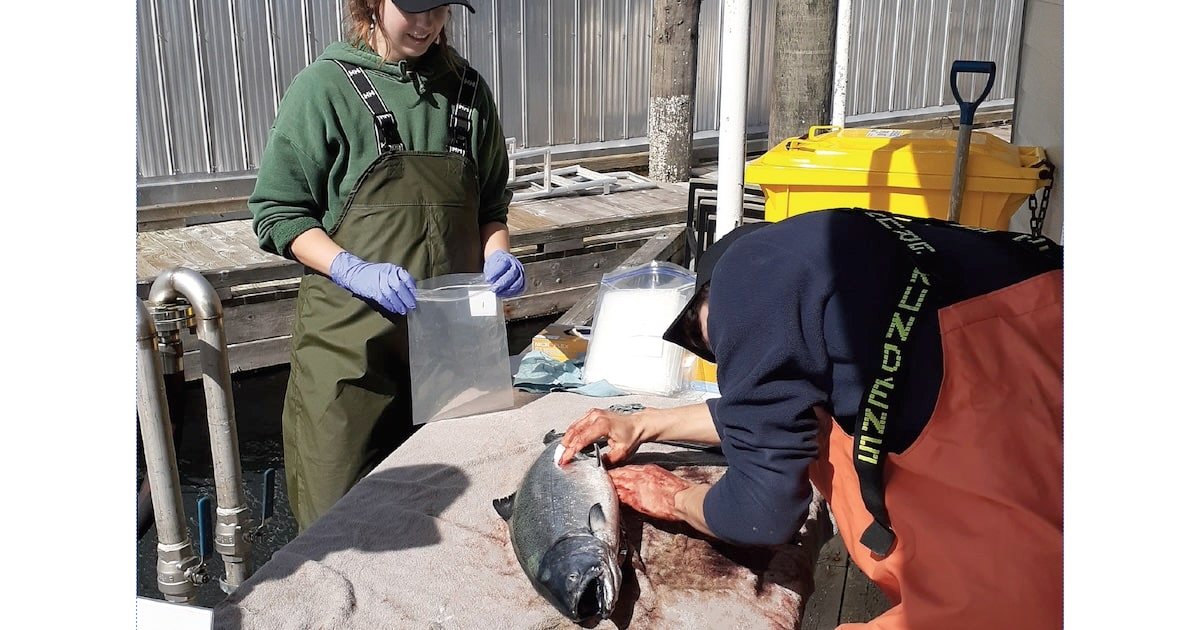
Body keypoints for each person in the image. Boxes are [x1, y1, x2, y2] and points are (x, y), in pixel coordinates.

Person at [558, 208, 1064, 629]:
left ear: (710, 295)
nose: (719, 355)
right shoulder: (867, 264)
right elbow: (782, 415)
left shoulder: (750, 275)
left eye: (703, 336)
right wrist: (646, 422)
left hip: (1024, 588)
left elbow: (760, 512)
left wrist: (675, 498)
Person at [248, 0, 523, 530]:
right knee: (340, 530)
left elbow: (491, 206)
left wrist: (498, 253)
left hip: (452, 356)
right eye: (411, 9)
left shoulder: (468, 91)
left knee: (457, 517)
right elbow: (276, 213)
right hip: (350, 357)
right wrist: (350, 267)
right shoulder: (323, 88)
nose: (425, 25)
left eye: (439, 9)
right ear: (372, 4)